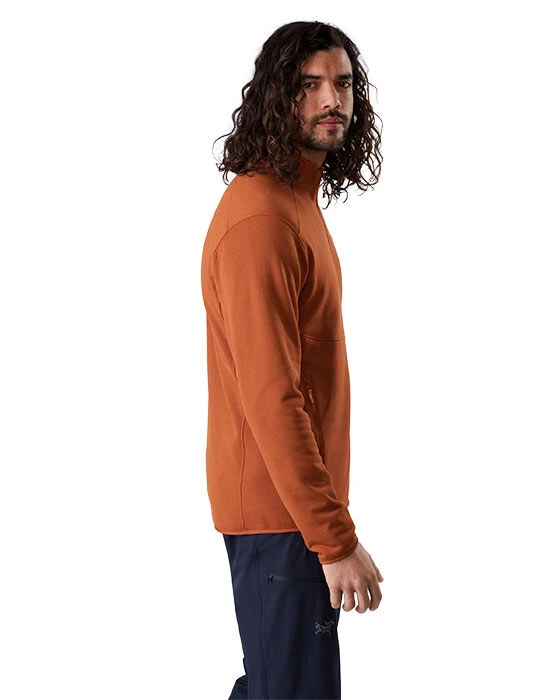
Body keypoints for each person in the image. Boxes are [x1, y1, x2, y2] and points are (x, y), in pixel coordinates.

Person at [200, 20, 384, 699]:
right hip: (281, 519)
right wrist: (334, 539)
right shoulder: (262, 219)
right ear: (278, 98)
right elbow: (273, 396)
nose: (332, 100)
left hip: (292, 514)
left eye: (343, 83)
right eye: (309, 86)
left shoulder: (294, 202)